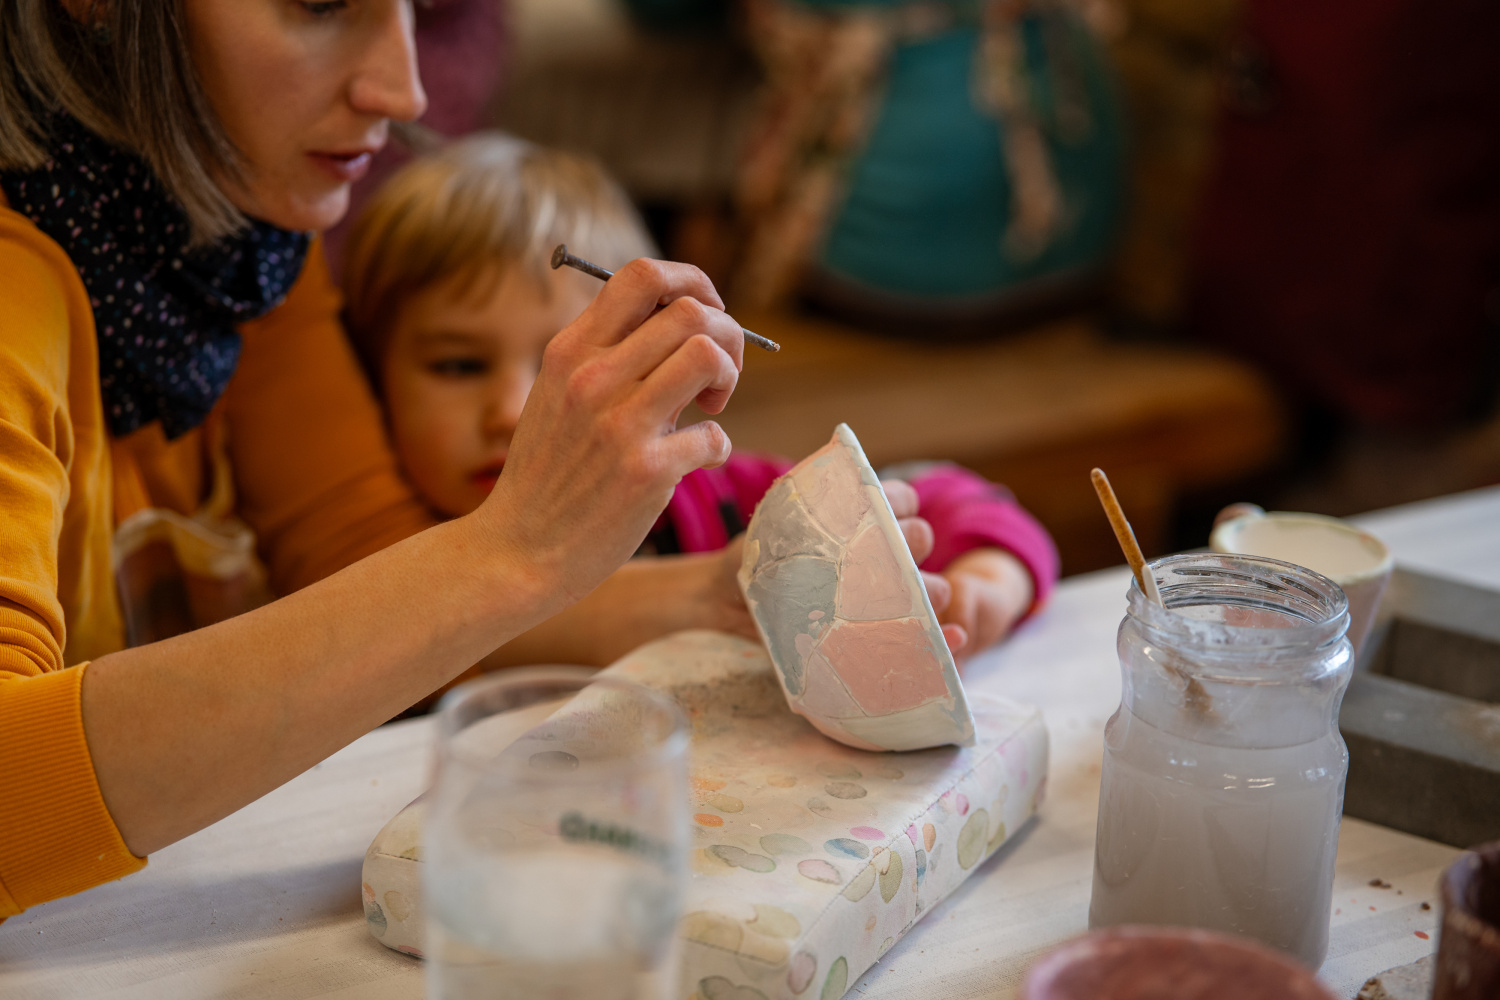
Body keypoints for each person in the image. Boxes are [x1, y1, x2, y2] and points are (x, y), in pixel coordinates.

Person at [0, 0, 831, 920]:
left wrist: (713, 596)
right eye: (322, 5)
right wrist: (514, 549)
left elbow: (364, 569)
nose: (403, 92)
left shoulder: (236, 243)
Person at [340, 133, 1060, 673]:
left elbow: (951, 499)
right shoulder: (365, 568)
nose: (512, 411)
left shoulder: (718, 505)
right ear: (371, 377)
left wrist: (984, 585)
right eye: (459, 365)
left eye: (570, 364)